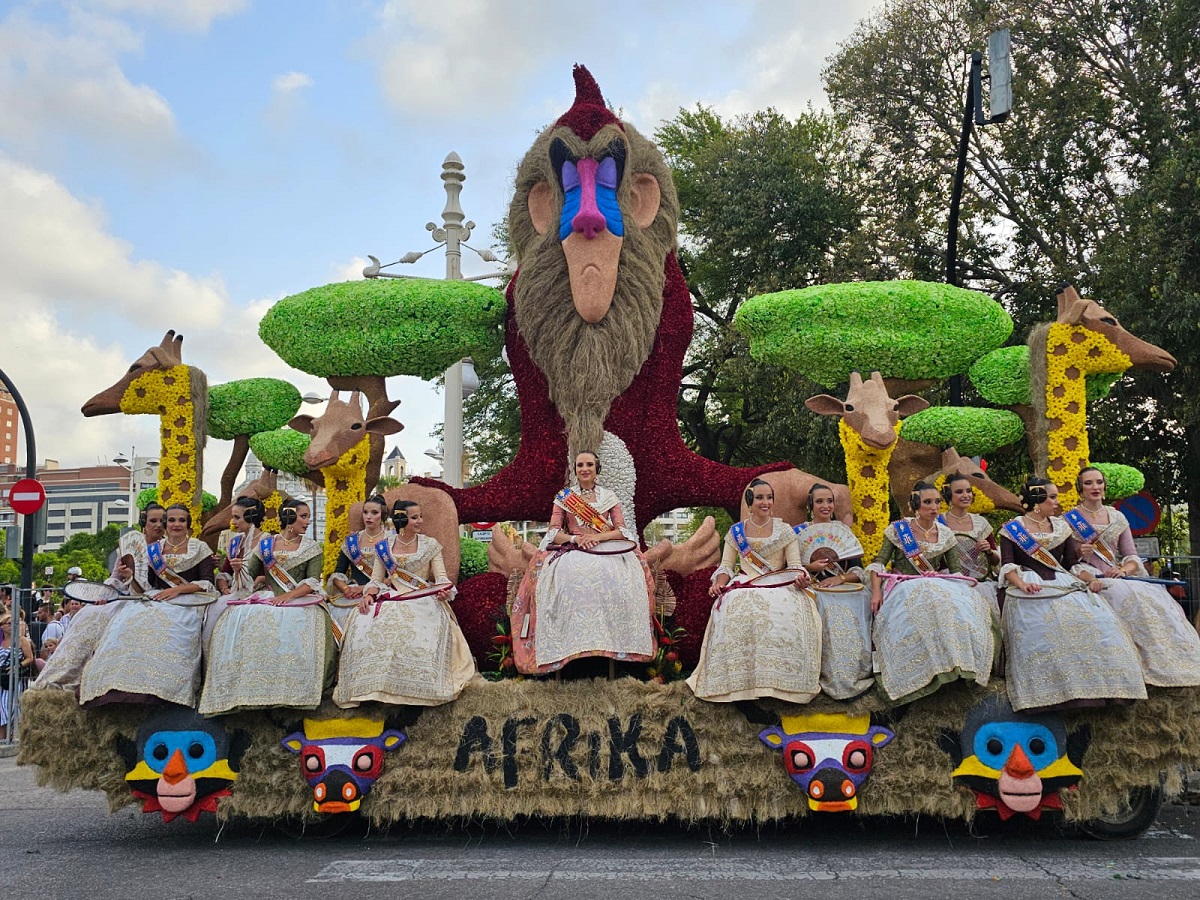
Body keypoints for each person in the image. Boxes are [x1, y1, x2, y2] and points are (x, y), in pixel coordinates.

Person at [999, 477, 1145, 712]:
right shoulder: (1012, 530)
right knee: (1043, 627)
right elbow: (1007, 566)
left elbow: (1071, 564)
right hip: (1028, 586)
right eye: (1052, 497)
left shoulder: (1061, 528)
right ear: (1037, 501)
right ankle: (1054, 693)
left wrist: (1091, 581)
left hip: (1064, 582)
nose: (1057, 502)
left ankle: (1105, 690)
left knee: (1099, 621)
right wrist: (1022, 584)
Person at [510, 451, 656, 676]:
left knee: (625, 576)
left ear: (597, 468)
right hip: (574, 547)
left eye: (589, 464)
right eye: (580, 465)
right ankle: (566, 646)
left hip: (605, 545)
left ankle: (617, 645)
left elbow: (621, 530)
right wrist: (576, 539)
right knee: (561, 578)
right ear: (575, 470)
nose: (585, 469)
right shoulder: (564, 497)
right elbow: (553, 533)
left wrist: (597, 538)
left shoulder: (609, 496)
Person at [1064, 466, 1200, 688]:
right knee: (1120, 594)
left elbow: (1131, 555)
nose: (1095, 487)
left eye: (1099, 482)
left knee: (1154, 599)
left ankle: (1166, 659)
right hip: (1087, 572)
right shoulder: (1069, 519)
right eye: (1088, 483)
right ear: (1080, 489)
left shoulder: (1118, 517)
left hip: (1117, 573)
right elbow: (1066, 559)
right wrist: (1080, 551)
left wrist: (1123, 570)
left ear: (1104, 487)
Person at [687, 479, 819, 703]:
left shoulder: (785, 531)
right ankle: (740, 684)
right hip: (745, 582)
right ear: (750, 502)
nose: (765, 502)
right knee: (736, 607)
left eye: (769, 497)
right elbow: (726, 566)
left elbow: (795, 566)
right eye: (759, 498)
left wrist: (800, 579)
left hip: (778, 583)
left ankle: (780, 683)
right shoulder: (736, 532)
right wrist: (719, 583)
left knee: (786, 610)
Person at [334, 500, 475, 707]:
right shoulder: (383, 547)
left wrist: (444, 590)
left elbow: (441, 578)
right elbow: (376, 580)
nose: (420, 521)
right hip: (392, 598)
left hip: (423, 599)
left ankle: (418, 689)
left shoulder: (430, 545)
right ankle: (373, 688)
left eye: (420, 516)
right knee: (364, 624)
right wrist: (369, 595)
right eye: (414, 517)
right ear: (401, 520)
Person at [199, 499, 334, 716]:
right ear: (289, 517)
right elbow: (249, 578)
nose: (308, 521)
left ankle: (292, 691)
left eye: (308, 516)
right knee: (241, 619)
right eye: (303, 516)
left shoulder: (311, 547)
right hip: (267, 596)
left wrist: (288, 596)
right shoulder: (266, 545)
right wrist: (237, 570)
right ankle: (247, 689)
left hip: (300, 598)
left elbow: (312, 582)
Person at [868, 482, 996, 704]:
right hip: (904, 584)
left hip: (938, 584)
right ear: (915, 505)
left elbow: (956, 572)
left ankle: (957, 667)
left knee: (956, 608)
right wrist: (876, 592)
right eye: (927, 502)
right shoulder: (899, 530)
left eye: (937, 502)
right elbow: (879, 563)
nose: (934, 507)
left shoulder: (946, 534)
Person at [77, 504, 215, 707]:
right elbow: (146, 587)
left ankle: (164, 688)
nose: (176, 524)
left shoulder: (200, 548)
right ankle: (118, 684)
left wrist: (177, 590)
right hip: (156, 599)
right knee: (129, 622)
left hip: (188, 601)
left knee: (172, 627)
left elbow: (207, 582)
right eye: (172, 520)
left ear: (188, 524)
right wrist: (130, 577)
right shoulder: (154, 551)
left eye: (182, 520)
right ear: (166, 524)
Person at [32, 504, 167, 694]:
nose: (158, 525)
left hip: (154, 599)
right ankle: (63, 677)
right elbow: (114, 579)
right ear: (144, 523)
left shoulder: (167, 549)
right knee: (87, 617)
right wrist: (104, 596)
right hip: (124, 597)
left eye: (162, 521)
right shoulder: (127, 546)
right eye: (153, 521)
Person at [794, 482, 873, 700]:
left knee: (856, 602)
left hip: (845, 589)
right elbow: (791, 568)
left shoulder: (843, 532)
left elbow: (858, 571)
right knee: (823, 607)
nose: (825, 506)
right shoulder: (798, 533)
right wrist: (810, 568)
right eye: (819, 501)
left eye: (829, 501)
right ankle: (821, 673)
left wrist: (840, 578)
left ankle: (854, 672)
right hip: (814, 588)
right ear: (810, 505)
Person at [204, 496, 267, 648]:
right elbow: (225, 572)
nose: (233, 522)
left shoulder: (267, 541)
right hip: (234, 592)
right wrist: (224, 587)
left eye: (237, 517)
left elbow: (269, 574)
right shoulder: (235, 542)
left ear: (250, 517)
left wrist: (254, 584)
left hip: (259, 593)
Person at [325, 494, 391, 637]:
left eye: (374, 512)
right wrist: (346, 589)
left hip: (381, 593)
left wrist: (363, 588)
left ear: (383, 515)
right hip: (351, 595)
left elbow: (394, 577)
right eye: (365, 512)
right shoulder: (351, 542)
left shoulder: (391, 541)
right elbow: (338, 573)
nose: (369, 516)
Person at [940, 474, 1002, 619]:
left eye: (968, 491)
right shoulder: (938, 522)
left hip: (979, 580)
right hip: (949, 580)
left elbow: (996, 561)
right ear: (948, 495)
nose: (966, 495)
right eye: (959, 492)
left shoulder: (981, 523)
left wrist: (988, 551)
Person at [1, 613, 35, 740]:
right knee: (1, 710)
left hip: (14, 679)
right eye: (9, 624)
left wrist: (18, 666)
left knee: (8, 708)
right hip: (1, 678)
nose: (11, 626)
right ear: (2, 626)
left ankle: (9, 736)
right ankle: (3, 738)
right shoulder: (1, 642)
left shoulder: (22, 640)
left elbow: (30, 658)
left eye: (14, 624)